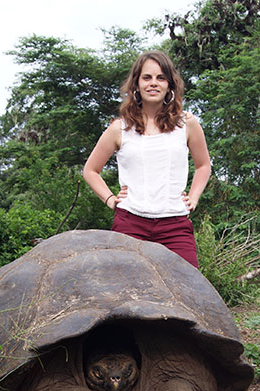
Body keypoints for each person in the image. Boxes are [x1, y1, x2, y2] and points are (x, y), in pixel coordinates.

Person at [82, 50, 211, 268]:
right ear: (136, 84)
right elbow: (90, 170)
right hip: (130, 224)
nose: (154, 83)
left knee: (190, 293)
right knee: (123, 291)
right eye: (147, 77)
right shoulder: (119, 128)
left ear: (170, 85)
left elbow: (203, 165)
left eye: (161, 78)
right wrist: (111, 199)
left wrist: (194, 197)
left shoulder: (186, 123)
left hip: (175, 226)